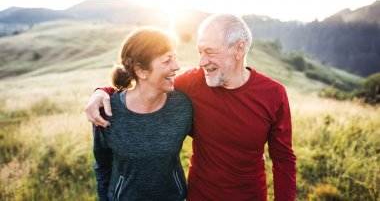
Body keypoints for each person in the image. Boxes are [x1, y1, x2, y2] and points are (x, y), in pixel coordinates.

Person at [86, 14, 296, 200]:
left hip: (250, 196)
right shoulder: (192, 84)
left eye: (210, 52)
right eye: (200, 52)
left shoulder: (273, 94)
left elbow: (284, 159)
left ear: (239, 49)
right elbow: (146, 87)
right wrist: (103, 92)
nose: (202, 62)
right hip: (200, 195)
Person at [92, 28, 193, 200]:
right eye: (167, 60)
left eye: (174, 57)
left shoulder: (182, 105)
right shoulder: (108, 111)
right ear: (141, 71)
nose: (177, 66)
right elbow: (103, 164)